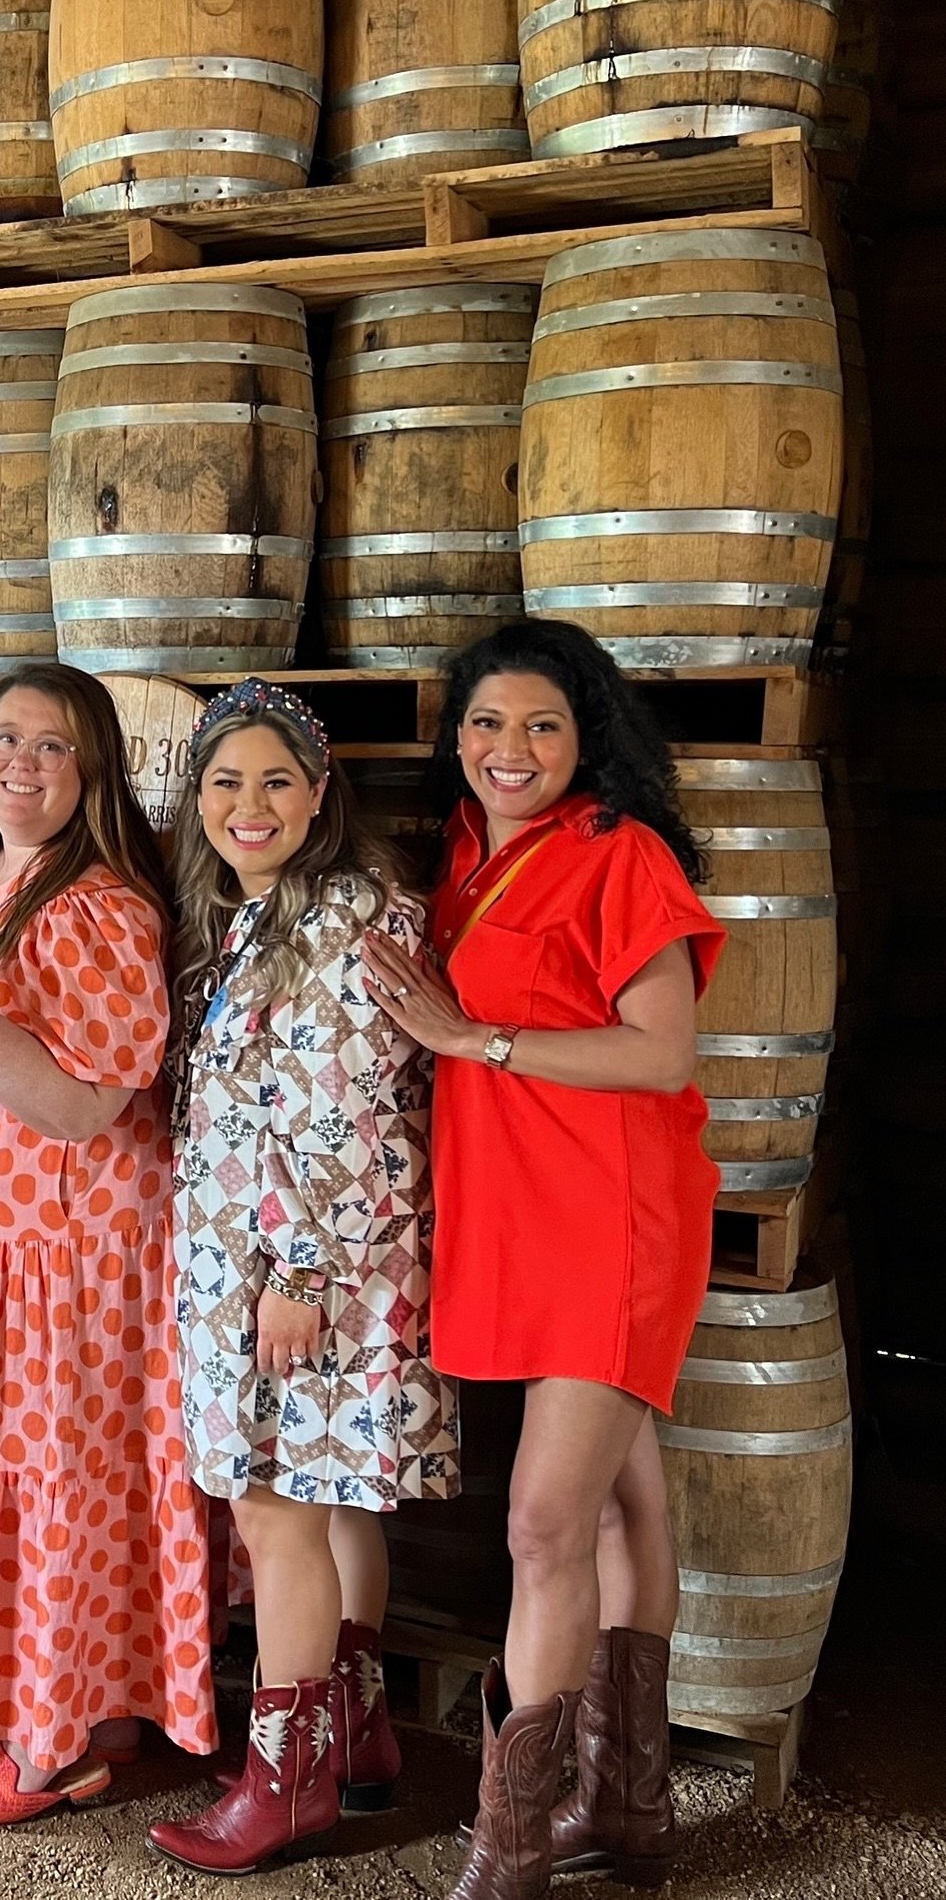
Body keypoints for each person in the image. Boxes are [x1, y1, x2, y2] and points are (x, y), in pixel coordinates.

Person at [363, 620, 723, 1900]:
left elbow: (661, 1051)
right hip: (518, 1215)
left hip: (611, 1215)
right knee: (624, 1503)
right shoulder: (466, 851)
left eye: (540, 727)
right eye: (485, 723)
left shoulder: (618, 856)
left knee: (541, 1522)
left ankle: (508, 1839)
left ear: (589, 741)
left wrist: (481, 1040)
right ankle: (627, 1807)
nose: (506, 749)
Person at [0, 664, 215, 1824]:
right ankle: (92, 1713)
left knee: (53, 1496)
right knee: (40, 1491)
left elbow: (84, 1106)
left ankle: (50, 1748)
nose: (18, 761)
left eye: (52, 746)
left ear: (95, 774)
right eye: (3, 736)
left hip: (60, 1263)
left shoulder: (101, 905)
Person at [149, 679, 457, 1875]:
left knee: (273, 1507)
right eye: (225, 782)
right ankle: (357, 1741)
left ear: (321, 792)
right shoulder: (266, 913)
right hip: (281, 1261)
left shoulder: (343, 917)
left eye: (276, 779)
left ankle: (284, 1785)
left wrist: (304, 1273)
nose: (248, 804)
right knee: (328, 1504)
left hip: (303, 1269)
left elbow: (353, 1114)